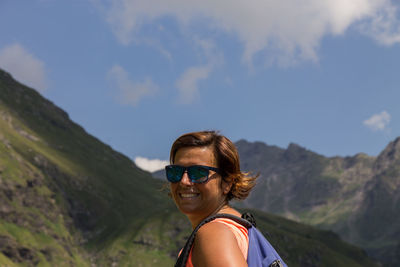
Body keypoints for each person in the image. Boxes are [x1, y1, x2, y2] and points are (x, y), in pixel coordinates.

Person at [166, 130, 258, 267]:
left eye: (198, 172)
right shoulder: (237, 228)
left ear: (227, 182)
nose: (184, 181)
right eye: (175, 172)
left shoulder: (214, 233)